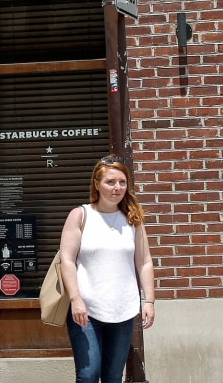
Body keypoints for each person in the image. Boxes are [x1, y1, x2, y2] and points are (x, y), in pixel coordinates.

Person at [58, 155, 156, 383]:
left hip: (123, 310)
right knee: (88, 374)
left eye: (122, 182)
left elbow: (144, 262)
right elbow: (67, 260)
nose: (117, 188)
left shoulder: (133, 219)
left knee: (113, 377)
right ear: (97, 183)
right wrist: (75, 299)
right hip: (86, 309)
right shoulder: (80, 215)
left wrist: (149, 301)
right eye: (110, 182)